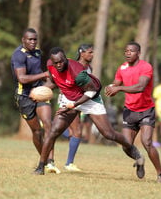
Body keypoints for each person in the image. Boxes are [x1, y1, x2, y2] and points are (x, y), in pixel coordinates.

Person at [33, 47, 145, 179]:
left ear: (65, 58)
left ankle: (136, 153)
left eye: (61, 61)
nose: (59, 65)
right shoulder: (51, 65)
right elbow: (54, 81)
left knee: (108, 134)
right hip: (70, 98)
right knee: (53, 132)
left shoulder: (77, 71)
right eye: (56, 62)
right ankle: (40, 167)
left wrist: (73, 105)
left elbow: (91, 92)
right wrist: (39, 91)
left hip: (89, 98)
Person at [105, 41, 161, 183]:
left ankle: (160, 174)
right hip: (129, 111)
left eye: (131, 51)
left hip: (146, 110)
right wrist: (111, 87)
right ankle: (139, 159)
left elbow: (140, 86)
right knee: (126, 145)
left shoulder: (146, 67)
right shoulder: (122, 67)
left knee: (147, 142)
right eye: (126, 51)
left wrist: (119, 89)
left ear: (138, 53)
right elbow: (116, 83)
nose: (128, 53)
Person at [10, 28, 60, 174]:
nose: (32, 42)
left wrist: (50, 81)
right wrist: (43, 74)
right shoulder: (18, 55)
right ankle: (43, 160)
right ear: (23, 40)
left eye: (34, 39)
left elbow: (41, 72)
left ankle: (50, 162)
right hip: (24, 97)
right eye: (29, 39)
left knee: (48, 124)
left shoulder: (37, 52)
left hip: (39, 93)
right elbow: (22, 78)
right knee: (37, 132)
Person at [62, 44, 94, 172]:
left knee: (73, 132)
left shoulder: (89, 68)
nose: (92, 55)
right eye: (89, 52)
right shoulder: (72, 65)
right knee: (76, 132)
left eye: (92, 52)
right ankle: (69, 163)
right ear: (82, 53)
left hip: (80, 101)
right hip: (70, 100)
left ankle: (68, 163)